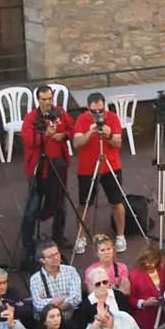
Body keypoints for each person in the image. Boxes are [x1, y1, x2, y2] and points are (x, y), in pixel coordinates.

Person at [19, 86, 72, 257]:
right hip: (39, 165)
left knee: (60, 202)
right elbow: (27, 140)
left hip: (59, 163)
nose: (47, 102)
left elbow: (72, 129)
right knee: (33, 205)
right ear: (38, 100)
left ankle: (58, 234)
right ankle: (28, 241)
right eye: (44, 99)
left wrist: (63, 136)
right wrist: (45, 136)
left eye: (49, 98)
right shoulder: (31, 118)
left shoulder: (60, 113)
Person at [71, 93, 128, 254]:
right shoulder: (82, 119)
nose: (98, 115)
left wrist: (108, 134)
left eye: (101, 110)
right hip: (87, 167)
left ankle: (120, 236)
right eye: (94, 111)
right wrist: (90, 133)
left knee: (116, 202)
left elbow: (118, 143)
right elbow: (76, 143)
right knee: (84, 204)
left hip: (110, 166)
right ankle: (80, 237)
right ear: (88, 108)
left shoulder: (113, 118)